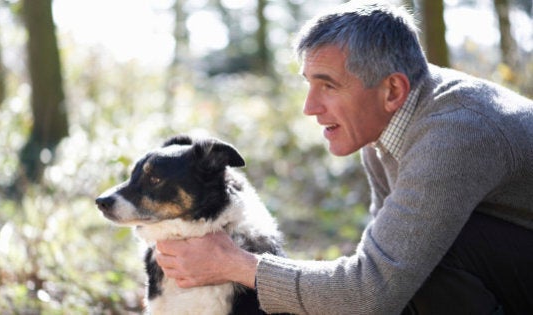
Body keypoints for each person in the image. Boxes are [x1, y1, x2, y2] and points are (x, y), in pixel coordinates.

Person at [154, 1, 533, 314]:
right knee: (411, 257)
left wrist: (235, 264)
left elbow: (373, 290)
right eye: (309, 83)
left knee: (427, 254)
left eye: (328, 85)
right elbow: (383, 273)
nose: (309, 107)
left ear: (392, 89)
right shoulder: (387, 124)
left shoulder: (454, 134)